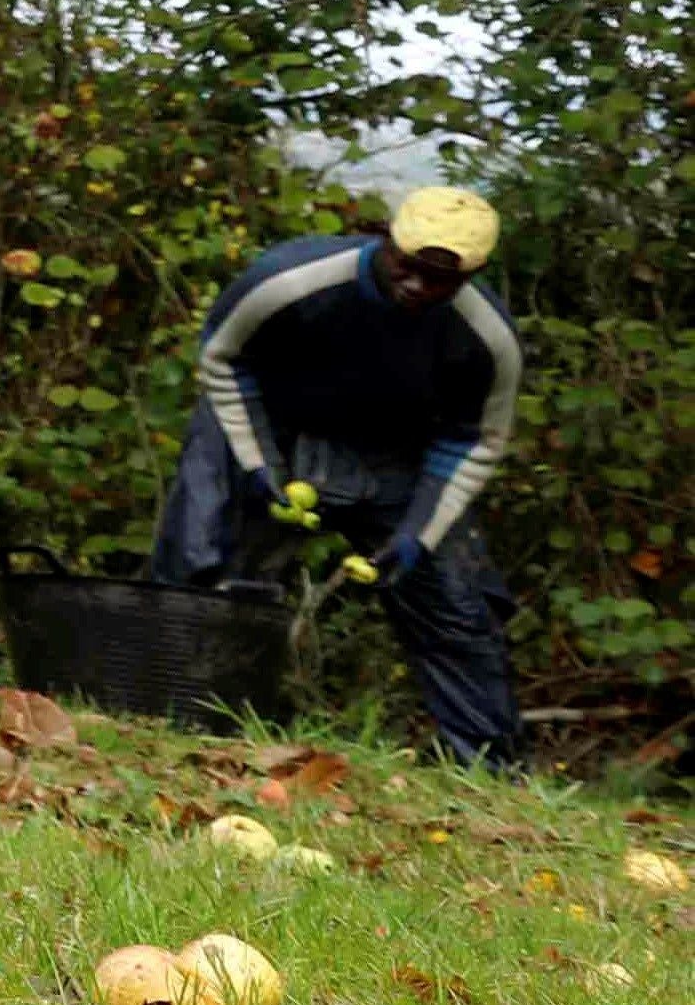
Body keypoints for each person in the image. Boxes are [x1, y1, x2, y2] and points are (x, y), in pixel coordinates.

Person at [146, 184, 522, 764]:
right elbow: (222, 361)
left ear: (473, 275)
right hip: (270, 426)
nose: (417, 286)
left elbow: (473, 440)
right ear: (386, 240)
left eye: (440, 279)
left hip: (393, 456)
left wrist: (417, 535)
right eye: (409, 266)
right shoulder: (294, 279)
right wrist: (257, 466)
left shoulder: (487, 336)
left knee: (458, 602)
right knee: (204, 559)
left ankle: (485, 766)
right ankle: (169, 722)